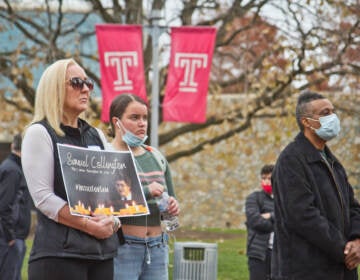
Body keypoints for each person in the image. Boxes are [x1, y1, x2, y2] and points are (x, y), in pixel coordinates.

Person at [21, 58, 120, 280]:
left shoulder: (97, 135)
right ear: (55, 88)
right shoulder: (40, 133)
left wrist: (112, 222)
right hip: (59, 256)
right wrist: (88, 225)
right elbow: (44, 198)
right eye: (76, 82)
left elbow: (114, 195)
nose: (85, 88)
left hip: (101, 255)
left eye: (88, 83)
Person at [271, 90, 360, 279]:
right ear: (306, 122)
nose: (333, 117)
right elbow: (302, 215)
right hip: (307, 270)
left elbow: (352, 207)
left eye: (333, 111)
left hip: (341, 270)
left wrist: (357, 239)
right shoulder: (291, 161)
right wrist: (344, 250)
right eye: (325, 113)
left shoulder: (333, 162)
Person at [107, 93, 180, 280]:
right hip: (124, 248)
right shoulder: (106, 157)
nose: (142, 123)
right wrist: (147, 191)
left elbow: (170, 199)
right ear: (117, 122)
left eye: (145, 118)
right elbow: (107, 202)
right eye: (134, 117)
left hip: (158, 247)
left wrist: (173, 206)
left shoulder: (156, 156)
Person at [0, 133, 31, 280]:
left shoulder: (13, 167)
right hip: (11, 238)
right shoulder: (13, 170)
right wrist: (10, 236)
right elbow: (5, 206)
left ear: (13, 145)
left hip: (14, 236)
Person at [245, 164, 275, 280]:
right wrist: (276, 223)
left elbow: (289, 218)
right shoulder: (254, 198)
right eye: (264, 178)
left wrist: (270, 215)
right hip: (258, 253)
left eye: (269, 179)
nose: (266, 182)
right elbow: (255, 221)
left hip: (279, 254)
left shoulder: (283, 199)